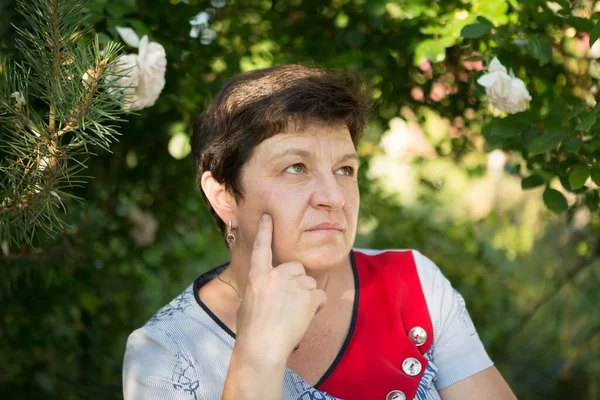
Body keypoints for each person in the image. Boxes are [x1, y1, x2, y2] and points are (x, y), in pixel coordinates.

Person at [122, 64, 517, 400]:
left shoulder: (412, 285)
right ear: (224, 196)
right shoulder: (169, 351)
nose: (334, 197)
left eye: (345, 170)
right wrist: (258, 356)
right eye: (296, 167)